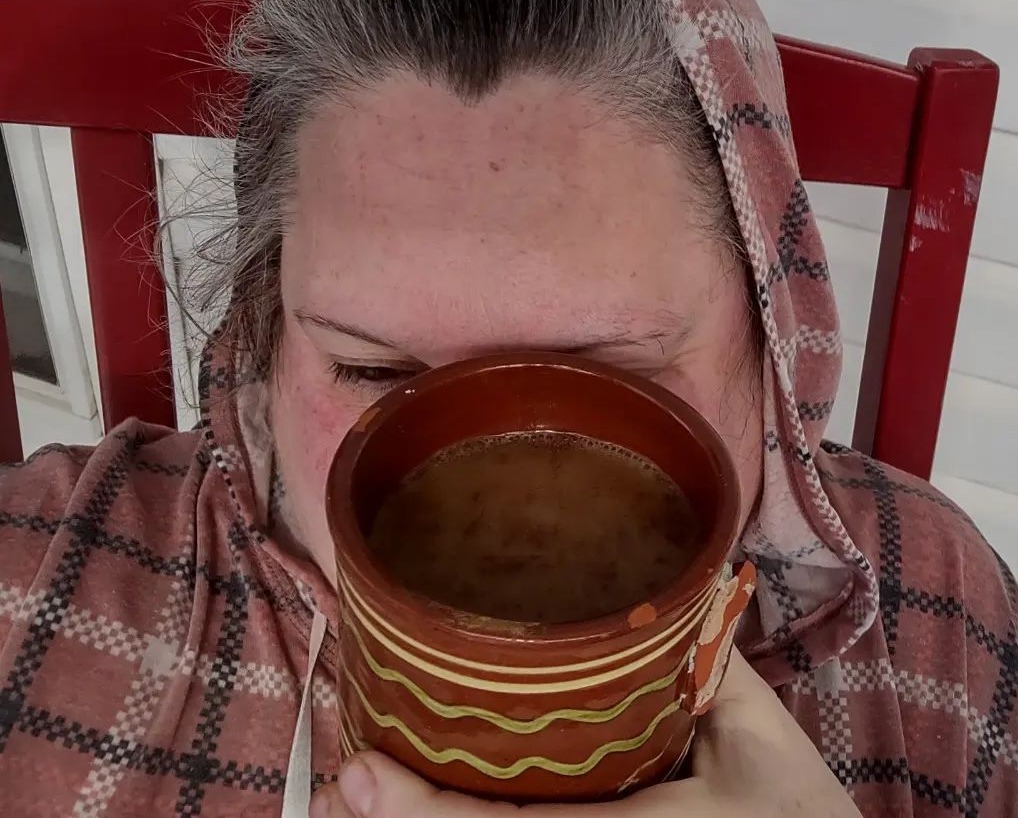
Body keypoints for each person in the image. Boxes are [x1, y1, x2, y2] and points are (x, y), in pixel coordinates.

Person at [0, 0, 1014, 815]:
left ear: (775, 354)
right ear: (266, 341)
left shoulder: (937, 618)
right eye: (372, 370)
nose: (492, 461)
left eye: (610, 377)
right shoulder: (33, 592)